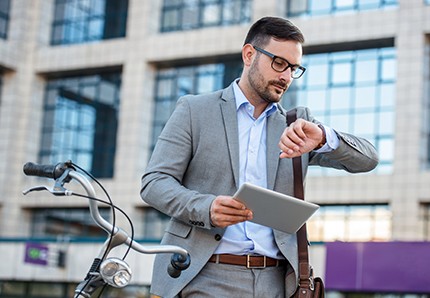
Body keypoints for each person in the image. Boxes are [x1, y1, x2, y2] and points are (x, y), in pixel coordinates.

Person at [141, 16, 378, 298]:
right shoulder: (195, 110)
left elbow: (369, 159)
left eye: (294, 68)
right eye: (279, 64)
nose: (286, 77)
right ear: (249, 54)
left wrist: (325, 137)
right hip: (204, 276)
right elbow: (154, 183)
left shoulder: (297, 125)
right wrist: (206, 207)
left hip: (276, 282)